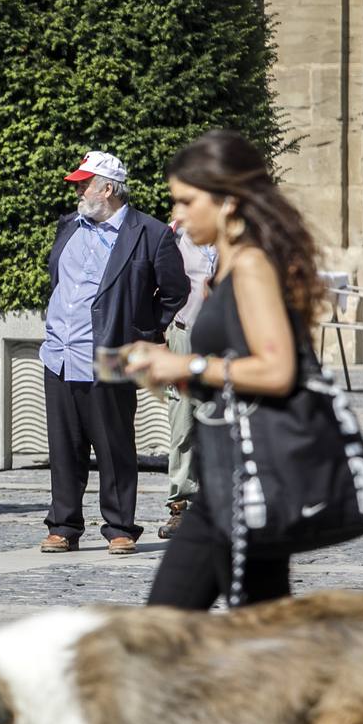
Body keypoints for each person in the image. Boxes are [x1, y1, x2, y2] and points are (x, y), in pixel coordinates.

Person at [123, 128, 339, 724]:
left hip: (242, 497)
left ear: (226, 197)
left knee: (246, 665)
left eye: (185, 202)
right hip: (223, 492)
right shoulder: (235, 261)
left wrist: (184, 361)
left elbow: (275, 369)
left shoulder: (250, 263)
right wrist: (180, 371)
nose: (174, 217)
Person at [38, 150, 187, 556]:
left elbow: (175, 291)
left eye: (85, 184)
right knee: (64, 446)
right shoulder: (69, 226)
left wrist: (143, 330)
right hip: (60, 353)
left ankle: (120, 526)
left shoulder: (150, 233)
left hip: (111, 354)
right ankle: (63, 526)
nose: (78, 190)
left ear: (108, 188)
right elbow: (57, 281)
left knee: (114, 444)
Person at [161, 222, 217, 537]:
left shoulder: (238, 235)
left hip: (224, 337)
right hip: (185, 334)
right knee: (182, 419)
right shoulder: (177, 234)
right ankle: (180, 503)